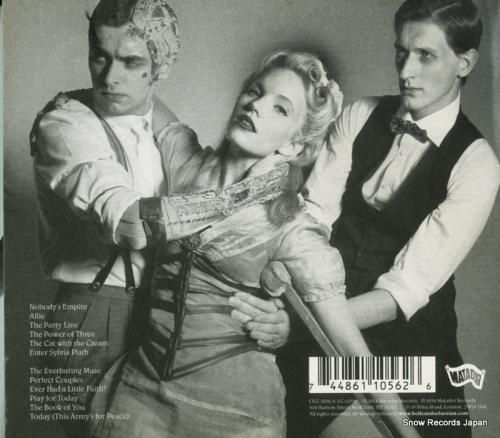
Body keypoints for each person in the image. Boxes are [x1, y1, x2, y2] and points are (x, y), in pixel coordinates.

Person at [88, 51, 420, 438]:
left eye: (280, 108)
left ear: (294, 146)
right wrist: (75, 99)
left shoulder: (291, 226)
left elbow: (350, 348)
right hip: (141, 396)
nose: (256, 106)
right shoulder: (186, 164)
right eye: (254, 92)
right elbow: (137, 95)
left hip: (235, 416)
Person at [230, 1, 500, 437]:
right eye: (401, 52)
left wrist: (299, 324)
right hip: (322, 302)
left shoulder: (478, 164)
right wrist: (298, 313)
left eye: (425, 56)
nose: (406, 71)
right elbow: (312, 221)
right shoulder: (360, 115)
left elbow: (403, 291)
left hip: (408, 337)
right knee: (275, 417)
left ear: (465, 63)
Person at [30, 1, 285, 436]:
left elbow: (223, 228)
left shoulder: (162, 127)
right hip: (95, 314)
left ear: (161, 67)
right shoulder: (64, 124)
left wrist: (277, 315)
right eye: (100, 56)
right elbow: (131, 224)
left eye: (131, 62)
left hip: (165, 316)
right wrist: (243, 194)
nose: (110, 77)